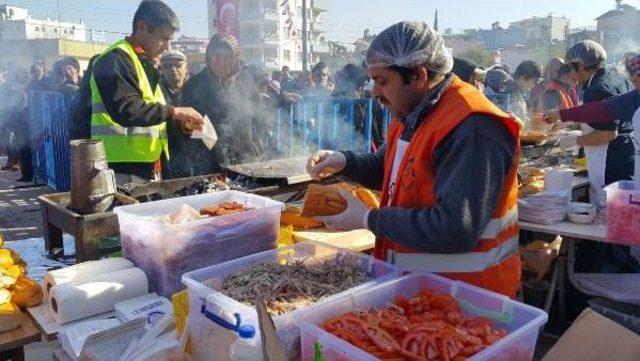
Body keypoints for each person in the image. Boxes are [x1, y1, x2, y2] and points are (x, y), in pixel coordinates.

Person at [306, 21, 522, 298]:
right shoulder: (411, 112)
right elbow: (392, 171)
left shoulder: (472, 127)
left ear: (419, 76)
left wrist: (369, 218)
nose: (373, 92)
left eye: (382, 81)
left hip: (470, 300)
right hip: (421, 291)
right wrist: (345, 161)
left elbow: (456, 228)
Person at [90, 0, 204, 184]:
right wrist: (174, 112)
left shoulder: (145, 64)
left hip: (149, 165)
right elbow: (127, 108)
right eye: (164, 38)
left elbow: (155, 111)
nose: (167, 47)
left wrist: (182, 122)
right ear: (142, 27)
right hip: (121, 168)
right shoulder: (114, 59)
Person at [182, 33, 263, 175]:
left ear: (235, 60)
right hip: (209, 158)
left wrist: (256, 140)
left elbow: (258, 113)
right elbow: (190, 125)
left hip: (245, 154)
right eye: (217, 55)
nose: (221, 61)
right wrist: (213, 149)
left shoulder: (245, 80)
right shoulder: (194, 85)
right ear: (209, 56)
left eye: (227, 57)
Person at [503, 60, 542, 125]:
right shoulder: (510, 96)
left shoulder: (518, 93)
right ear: (524, 78)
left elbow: (522, 117)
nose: (533, 86)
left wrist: (537, 118)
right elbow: (511, 122)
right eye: (533, 82)